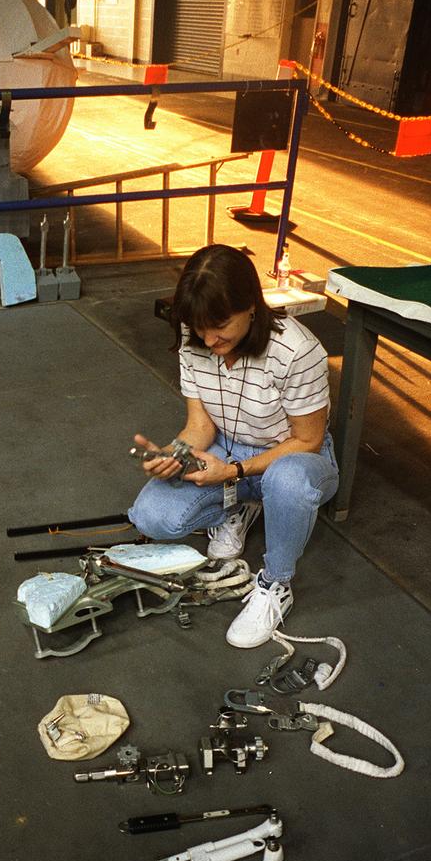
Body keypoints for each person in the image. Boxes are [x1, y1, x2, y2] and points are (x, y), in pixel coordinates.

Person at [129, 244, 339, 648]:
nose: (210, 339)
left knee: (289, 482)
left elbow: (308, 440)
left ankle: (276, 583)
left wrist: (234, 472)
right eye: (199, 326)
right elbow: (200, 424)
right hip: (226, 450)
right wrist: (175, 453)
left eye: (220, 324)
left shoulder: (296, 350)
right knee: (151, 516)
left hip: (294, 458)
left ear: (252, 307)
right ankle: (241, 505)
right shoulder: (197, 336)